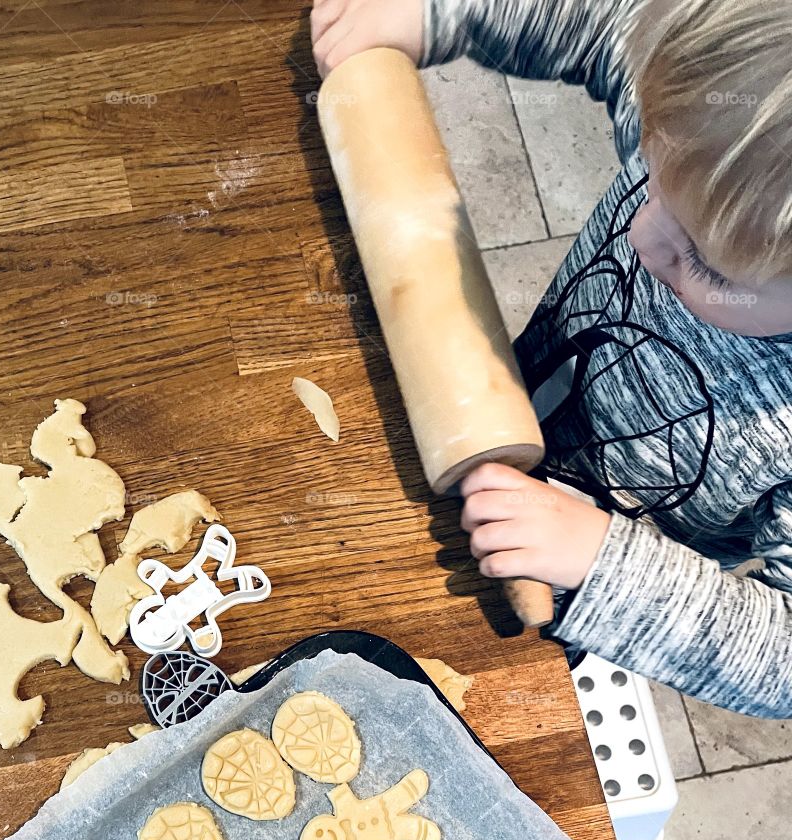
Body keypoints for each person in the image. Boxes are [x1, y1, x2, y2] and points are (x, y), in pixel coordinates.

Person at [311, 0, 792, 716]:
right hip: (492, 412)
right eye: (651, 185)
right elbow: (603, 23)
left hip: (582, 567)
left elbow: (783, 664)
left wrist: (601, 563)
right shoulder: (718, 132)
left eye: (707, 266)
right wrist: (444, 16)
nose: (643, 237)